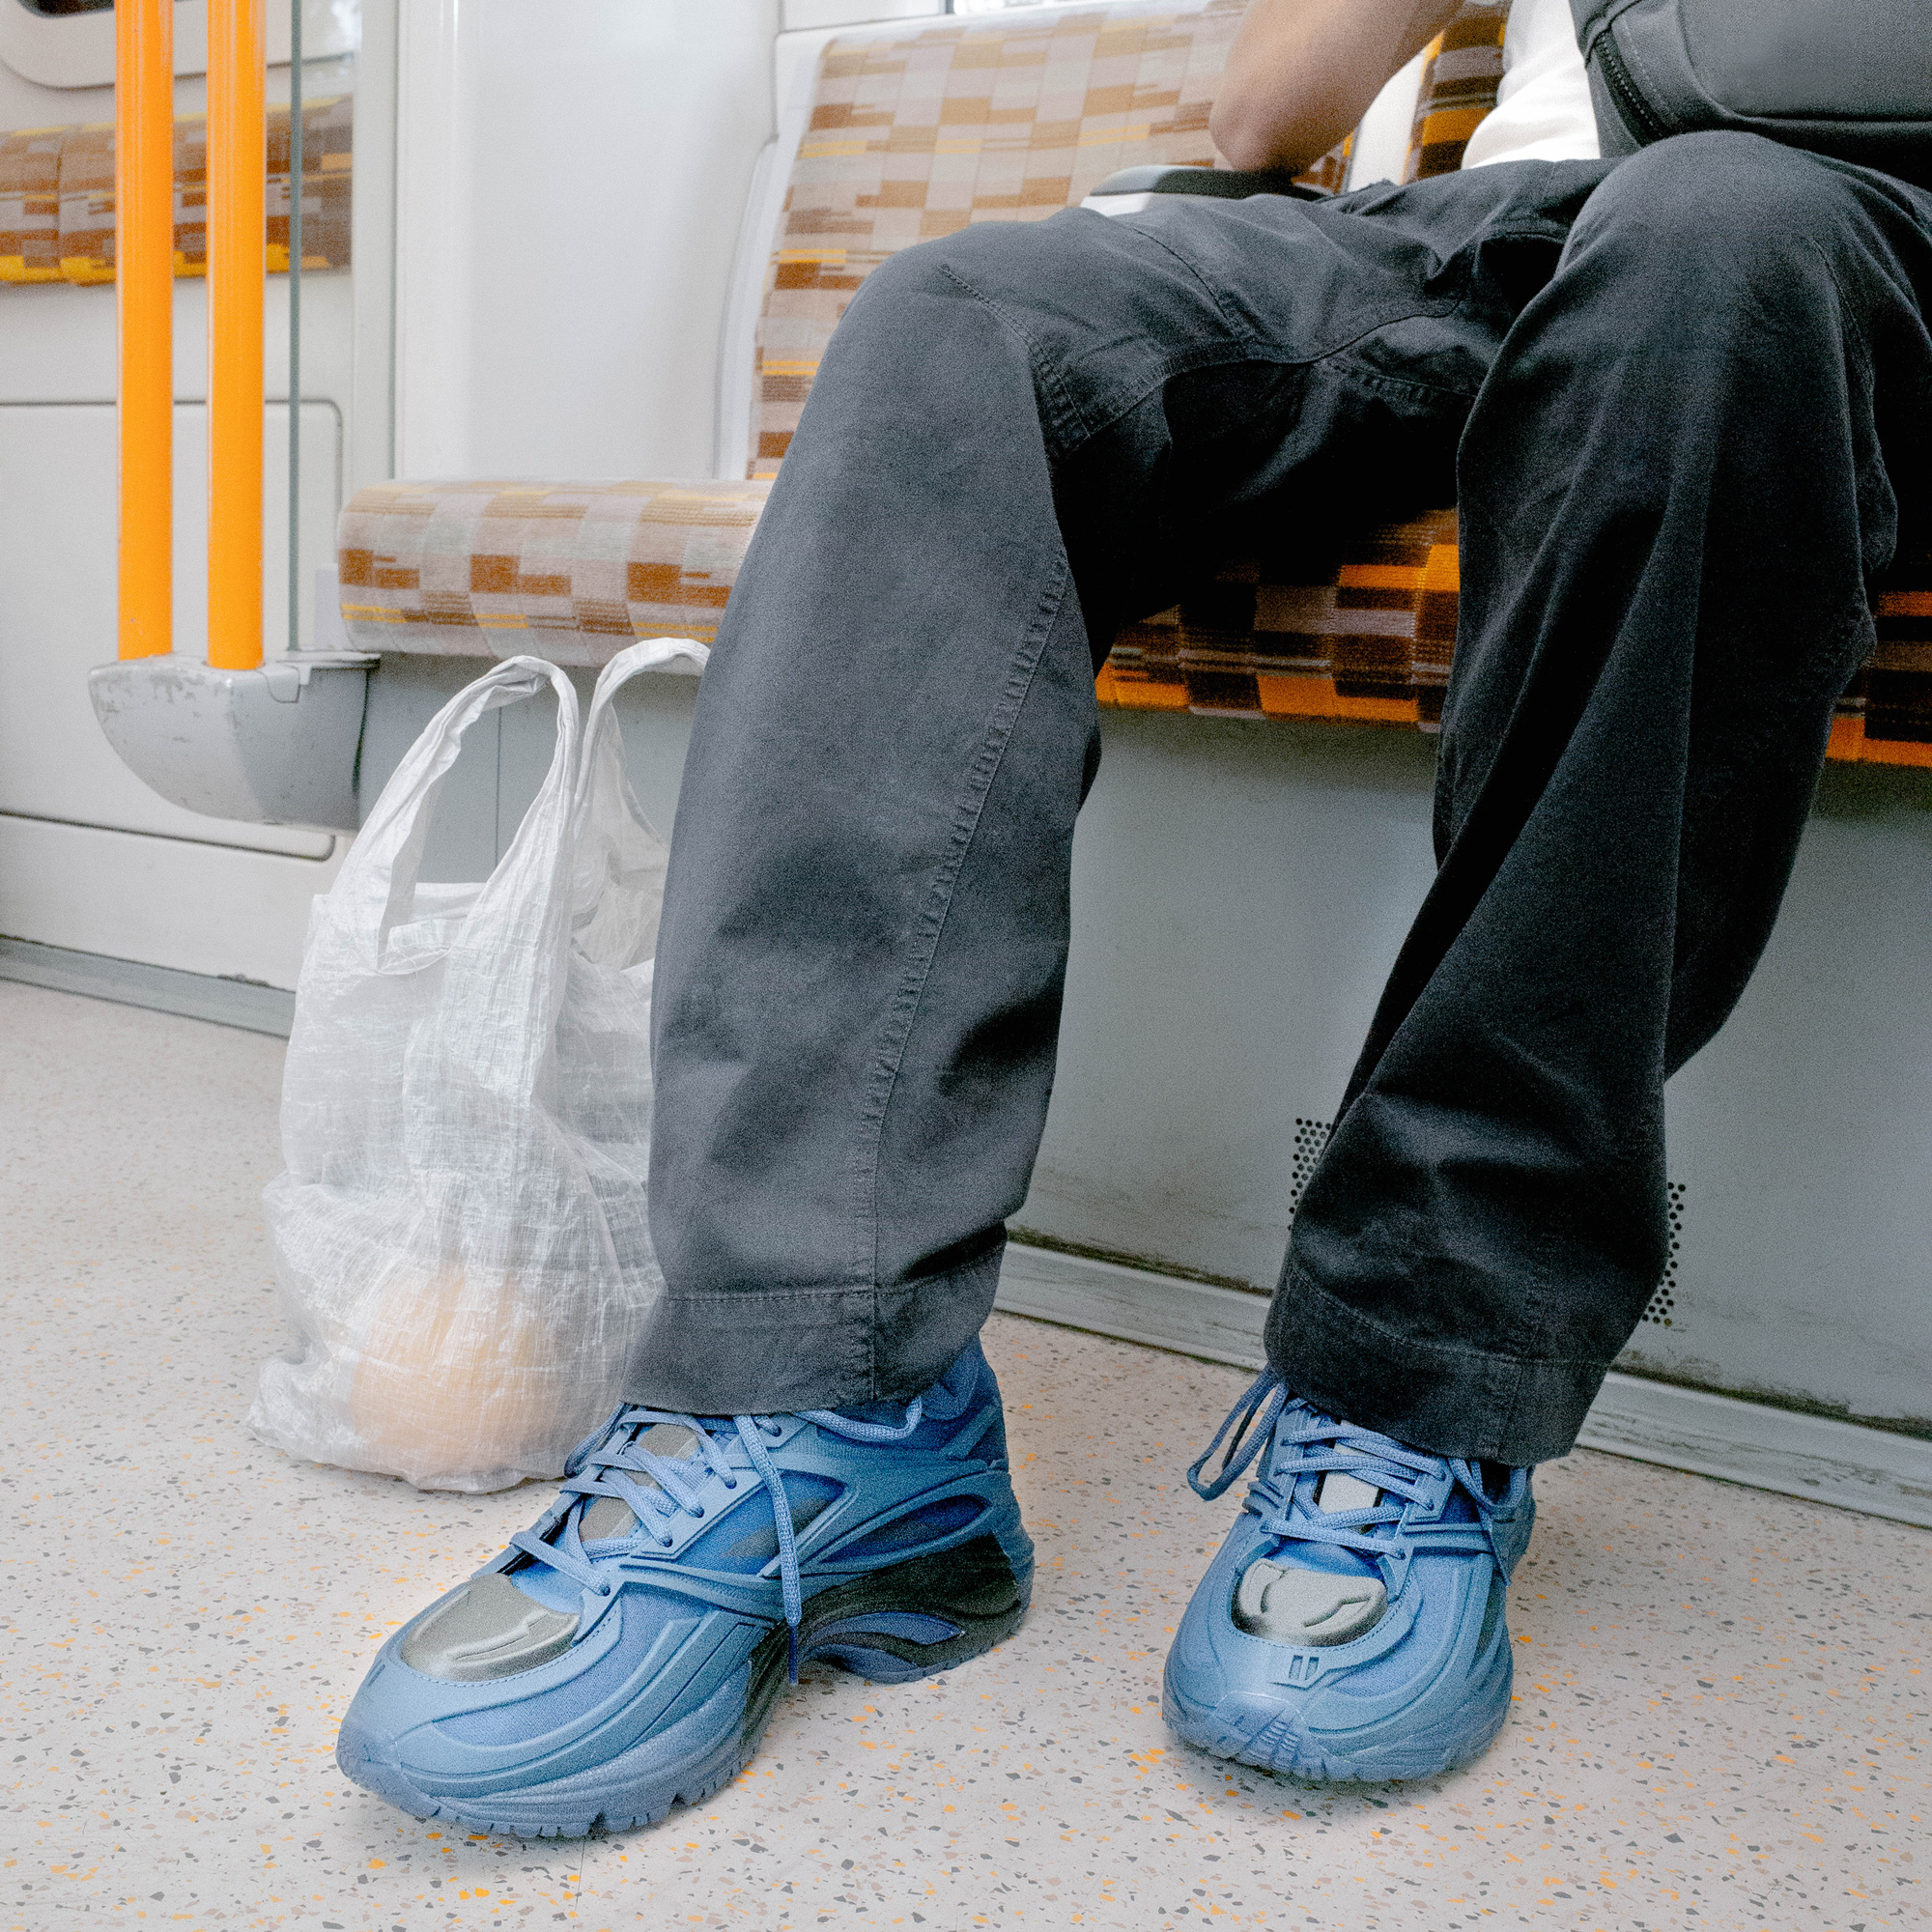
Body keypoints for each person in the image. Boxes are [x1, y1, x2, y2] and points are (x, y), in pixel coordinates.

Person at [334, 0, 1932, 1833]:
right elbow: (1261, 113)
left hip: (1831, 225)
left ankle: (1423, 1381)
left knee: (1709, 241)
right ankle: (822, 1396)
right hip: (1492, 232)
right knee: (964, 326)